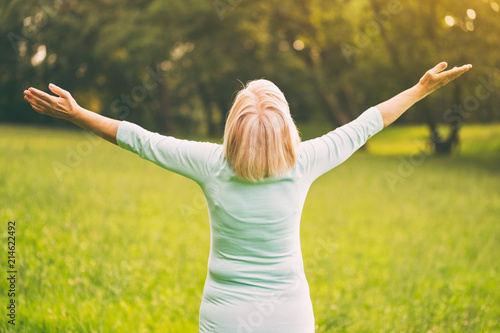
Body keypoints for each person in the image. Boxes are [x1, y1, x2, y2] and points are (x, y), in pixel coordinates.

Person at [24, 62, 471, 332]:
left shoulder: (209, 162)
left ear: (233, 125)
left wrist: (77, 113)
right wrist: (421, 88)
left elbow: (137, 138)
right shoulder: (306, 159)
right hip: (290, 317)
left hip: (225, 317)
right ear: (287, 125)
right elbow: (370, 121)